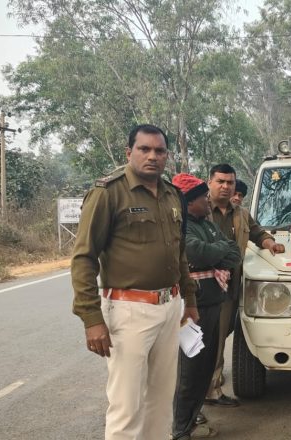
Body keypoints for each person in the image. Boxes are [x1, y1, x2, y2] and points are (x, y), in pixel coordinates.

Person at [71, 124, 199, 440]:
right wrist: (91, 319)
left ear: (167, 156)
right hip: (128, 310)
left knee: (160, 402)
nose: (152, 156)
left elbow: (179, 251)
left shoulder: (172, 195)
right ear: (129, 152)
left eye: (159, 151)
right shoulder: (108, 193)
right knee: (126, 408)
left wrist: (190, 300)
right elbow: (83, 258)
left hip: (170, 308)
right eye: (144, 149)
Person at [205, 164, 285, 406]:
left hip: (229, 289)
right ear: (209, 182)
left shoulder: (240, 213)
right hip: (201, 289)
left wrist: (270, 243)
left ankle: (212, 390)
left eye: (229, 182)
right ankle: (192, 399)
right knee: (198, 344)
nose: (225, 187)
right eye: (220, 181)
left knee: (218, 340)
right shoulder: (198, 209)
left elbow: (257, 232)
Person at [171, 173, 242, 440]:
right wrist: (217, 251)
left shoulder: (207, 224)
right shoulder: (181, 225)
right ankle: (180, 428)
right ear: (189, 202)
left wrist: (216, 250)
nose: (207, 200)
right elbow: (195, 252)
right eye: (202, 197)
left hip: (214, 302)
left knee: (205, 365)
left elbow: (234, 253)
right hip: (194, 306)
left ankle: (193, 417)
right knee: (190, 368)